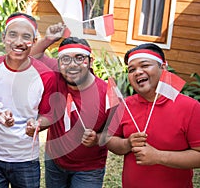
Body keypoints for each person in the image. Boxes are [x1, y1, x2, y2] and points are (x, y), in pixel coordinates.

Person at [0, 12, 56, 188]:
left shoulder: (45, 75)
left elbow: (48, 115)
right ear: (4, 38)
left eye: (26, 37)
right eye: (13, 35)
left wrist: (38, 124)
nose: (19, 42)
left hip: (26, 159)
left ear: (34, 42)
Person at [106, 43, 200, 188]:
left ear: (163, 68)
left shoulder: (190, 107)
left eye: (145, 65)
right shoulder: (125, 106)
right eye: (131, 69)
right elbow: (110, 140)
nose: (137, 72)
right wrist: (127, 143)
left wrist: (158, 156)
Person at [28, 24, 109, 188]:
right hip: (55, 162)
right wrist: (49, 39)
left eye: (80, 58)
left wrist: (97, 139)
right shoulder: (56, 77)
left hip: (89, 169)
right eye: (65, 59)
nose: (72, 64)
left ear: (90, 62)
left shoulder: (107, 93)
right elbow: (30, 58)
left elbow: (115, 132)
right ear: (58, 63)